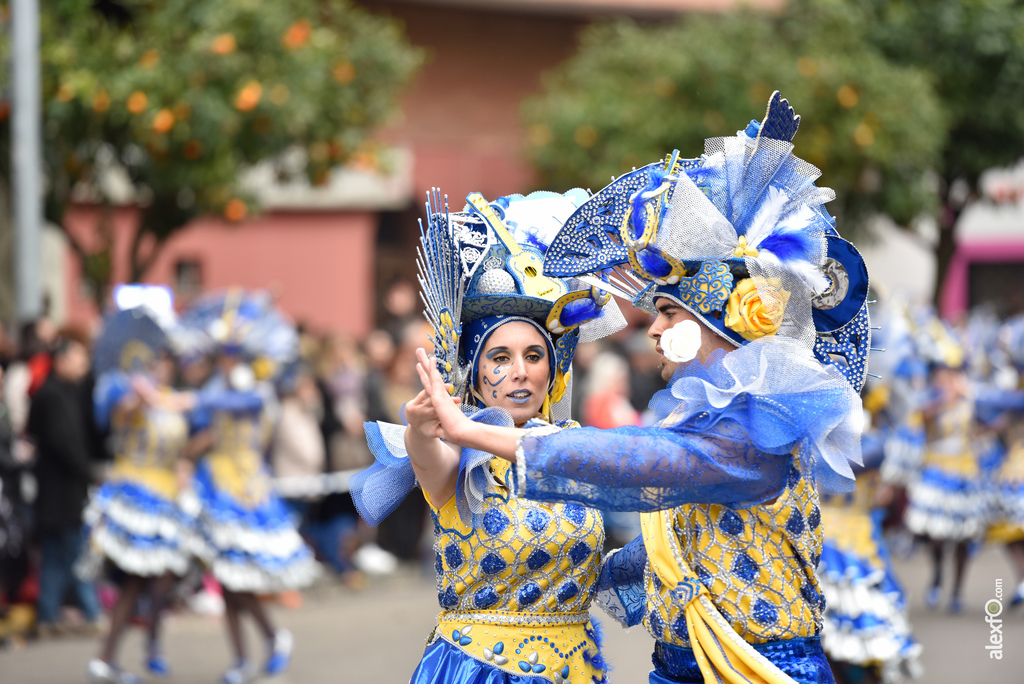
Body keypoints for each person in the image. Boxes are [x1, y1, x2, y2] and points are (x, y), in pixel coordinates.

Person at [416, 93, 869, 683]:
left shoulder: (752, 433)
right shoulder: (708, 423)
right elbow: (673, 545)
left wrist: (476, 433)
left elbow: (645, 462)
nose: (651, 330)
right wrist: (544, 584)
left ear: (715, 324)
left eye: (668, 314)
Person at [351, 188, 624, 684]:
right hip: (479, 671)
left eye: (534, 356)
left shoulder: (573, 443)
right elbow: (427, 456)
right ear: (473, 375)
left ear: (553, 368)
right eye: (500, 358)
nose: (520, 372)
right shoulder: (462, 455)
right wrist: (420, 429)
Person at [179, 291, 318, 684]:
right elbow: (209, 425)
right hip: (216, 482)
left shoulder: (253, 389)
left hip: (247, 487)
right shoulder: (216, 386)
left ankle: (271, 640)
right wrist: (190, 450)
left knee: (238, 578)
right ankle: (245, 657)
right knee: (225, 578)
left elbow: (238, 407)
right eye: (222, 351)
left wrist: (194, 400)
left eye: (232, 351)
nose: (227, 357)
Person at [83, 307, 197, 684]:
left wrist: (185, 464)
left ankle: (148, 644)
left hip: (166, 496)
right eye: (155, 362)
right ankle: (108, 658)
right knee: (135, 579)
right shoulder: (129, 395)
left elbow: (182, 439)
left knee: (165, 576)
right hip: (135, 495)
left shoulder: (171, 400)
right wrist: (139, 396)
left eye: (165, 362)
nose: (161, 368)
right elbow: (118, 413)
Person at [903, 319, 987, 613]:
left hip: (966, 472)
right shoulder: (929, 398)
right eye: (942, 373)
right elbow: (915, 418)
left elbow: (993, 419)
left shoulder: (971, 398)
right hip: (935, 471)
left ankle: (957, 592)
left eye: (952, 373)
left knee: (964, 535)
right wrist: (942, 401)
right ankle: (938, 576)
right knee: (934, 534)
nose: (947, 378)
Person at [28, 329, 104, 638]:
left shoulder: (68, 392)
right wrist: (87, 472)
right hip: (61, 491)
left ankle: (49, 614)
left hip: (62, 491)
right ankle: (91, 613)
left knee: (58, 556)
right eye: (78, 357)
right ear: (60, 360)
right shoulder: (50, 395)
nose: (83, 363)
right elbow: (63, 444)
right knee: (73, 553)